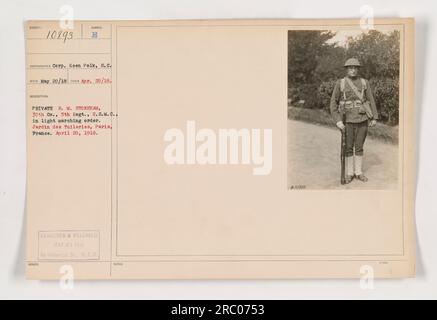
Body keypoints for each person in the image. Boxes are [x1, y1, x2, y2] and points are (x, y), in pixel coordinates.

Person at [330, 58, 378, 184]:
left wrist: (373, 117)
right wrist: (338, 120)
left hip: (362, 119)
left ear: (358, 69)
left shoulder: (364, 82)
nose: (353, 70)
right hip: (347, 120)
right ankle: (350, 173)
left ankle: (358, 172)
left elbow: (371, 100)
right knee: (348, 148)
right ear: (346, 69)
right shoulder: (340, 83)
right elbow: (333, 104)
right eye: (350, 67)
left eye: (355, 67)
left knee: (359, 147)